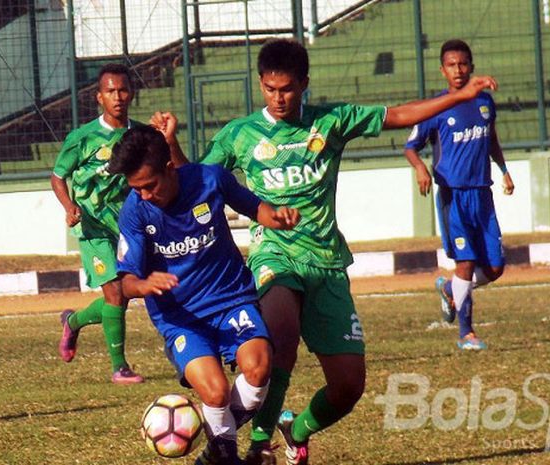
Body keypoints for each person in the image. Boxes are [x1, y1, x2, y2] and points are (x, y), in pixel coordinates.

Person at [154, 38, 499, 465]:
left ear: (304, 84)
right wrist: (170, 144)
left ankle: (295, 430)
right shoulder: (240, 135)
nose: (278, 99)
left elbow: (397, 116)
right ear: (261, 84)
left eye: (287, 89)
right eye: (269, 89)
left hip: (328, 262)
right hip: (274, 254)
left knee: (349, 386)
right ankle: (256, 445)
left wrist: (458, 96)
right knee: (279, 335)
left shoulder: (331, 122)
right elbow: (197, 181)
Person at [108, 125, 300, 465]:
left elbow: (255, 207)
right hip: (180, 318)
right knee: (215, 392)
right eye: (136, 189)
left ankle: (212, 436)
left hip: (231, 300)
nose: (144, 195)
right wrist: (145, 283)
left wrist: (277, 217)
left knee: (258, 369)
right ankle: (223, 451)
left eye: (149, 186)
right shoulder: (134, 211)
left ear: (169, 168)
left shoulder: (211, 180)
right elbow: (126, 282)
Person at [404, 39, 514, 351]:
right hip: (453, 196)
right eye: (451, 65)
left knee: (494, 268)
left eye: (463, 64)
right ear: (442, 70)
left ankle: (450, 288)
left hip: (483, 195)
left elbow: (491, 139)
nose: (458, 70)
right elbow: (410, 146)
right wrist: (420, 169)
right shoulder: (437, 109)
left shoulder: (484, 103)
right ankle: (466, 332)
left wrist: (504, 170)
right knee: (466, 262)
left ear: (472, 67)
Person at [51, 63, 145, 385]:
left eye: (122, 90)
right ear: (99, 97)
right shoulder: (83, 138)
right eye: (110, 91)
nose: (117, 97)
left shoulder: (141, 135)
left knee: (122, 296)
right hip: (91, 225)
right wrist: (69, 206)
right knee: (115, 294)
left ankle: (73, 322)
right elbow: (57, 176)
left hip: (125, 225)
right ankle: (120, 368)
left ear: (130, 93)